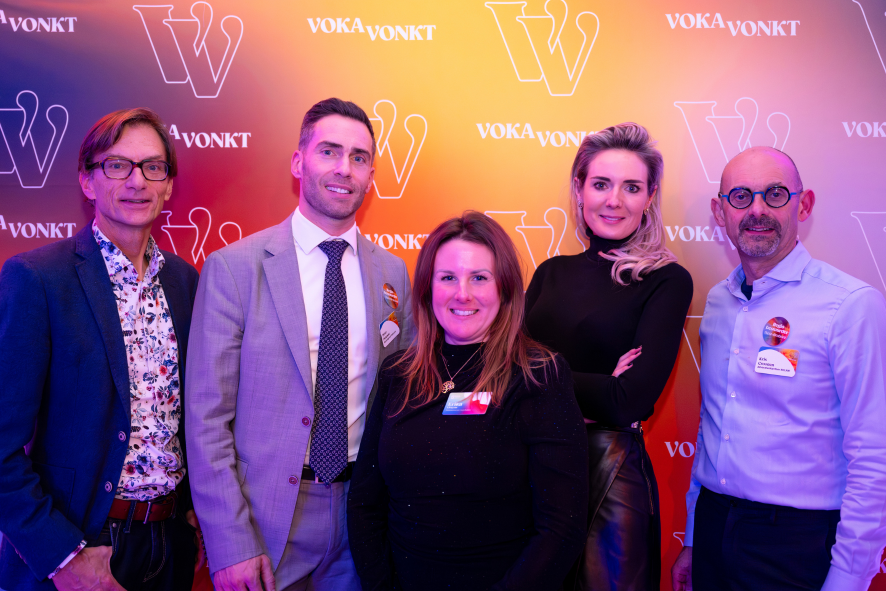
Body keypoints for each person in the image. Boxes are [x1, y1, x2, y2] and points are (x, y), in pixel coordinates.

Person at [186, 97, 415, 591]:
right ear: (298, 162)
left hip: (362, 514)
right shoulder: (235, 268)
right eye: (329, 151)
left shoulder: (392, 273)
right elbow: (206, 419)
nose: (344, 168)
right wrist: (230, 542)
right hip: (264, 520)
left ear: (371, 176)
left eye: (358, 157)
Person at [0, 108, 203, 590]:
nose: (137, 181)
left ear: (168, 185)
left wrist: (197, 515)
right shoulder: (38, 278)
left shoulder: (186, 281)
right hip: (83, 545)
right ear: (87, 181)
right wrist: (62, 557)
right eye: (117, 165)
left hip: (170, 544)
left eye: (153, 166)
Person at [670, 146, 886, 591]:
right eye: (741, 196)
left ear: (803, 205)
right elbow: (713, 427)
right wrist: (693, 536)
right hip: (713, 525)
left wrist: (849, 578)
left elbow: (874, 455)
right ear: (720, 212)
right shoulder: (718, 302)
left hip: (797, 545)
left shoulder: (850, 305)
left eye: (775, 194)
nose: (757, 210)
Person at [347, 211, 589, 591]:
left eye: (479, 277)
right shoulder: (398, 373)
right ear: (427, 289)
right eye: (447, 278)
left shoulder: (537, 376)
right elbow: (365, 503)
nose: (463, 293)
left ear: (505, 289)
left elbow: (562, 528)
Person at [525, 123, 693, 591]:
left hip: (609, 476)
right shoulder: (549, 273)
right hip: (530, 468)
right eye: (601, 184)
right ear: (580, 189)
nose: (614, 200)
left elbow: (627, 401)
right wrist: (597, 384)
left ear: (650, 197)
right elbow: (507, 376)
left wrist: (542, 374)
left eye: (631, 187)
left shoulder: (665, 281)